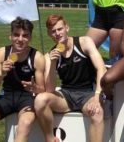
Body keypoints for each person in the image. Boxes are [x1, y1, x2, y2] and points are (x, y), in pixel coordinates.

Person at [34, 14, 107, 142]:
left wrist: (97, 96)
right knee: (40, 100)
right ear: (49, 34)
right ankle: (50, 138)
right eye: (53, 31)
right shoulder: (49, 56)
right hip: (66, 96)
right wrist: (52, 64)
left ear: (67, 28)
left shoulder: (84, 42)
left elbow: (101, 68)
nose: (57, 33)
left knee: (97, 113)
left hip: (87, 93)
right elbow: (50, 90)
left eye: (60, 29)